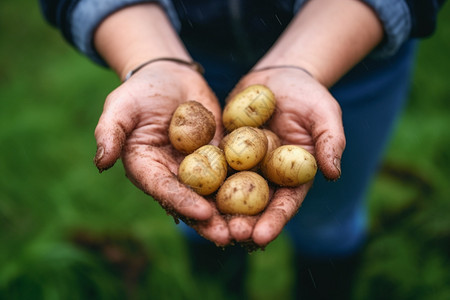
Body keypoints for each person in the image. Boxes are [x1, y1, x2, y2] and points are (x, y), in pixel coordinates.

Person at [39, 0, 446, 298]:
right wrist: (150, 59)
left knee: (330, 220)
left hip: (353, 51)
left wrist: (302, 63)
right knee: (199, 214)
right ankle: (217, 290)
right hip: (189, 48)